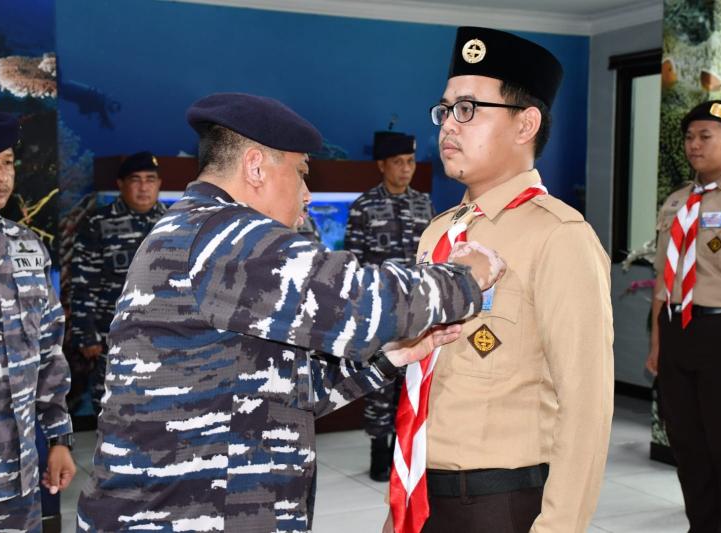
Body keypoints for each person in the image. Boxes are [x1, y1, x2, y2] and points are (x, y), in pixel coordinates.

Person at [76, 92, 506, 532]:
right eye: (301, 174)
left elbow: (286, 390)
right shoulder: (229, 238)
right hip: (182, 517)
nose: (306, 193)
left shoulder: (199, 229)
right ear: (256, 166)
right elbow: (361, 299)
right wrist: (465, 276)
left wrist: (391, 357)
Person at [386, 27, 614, 533]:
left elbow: (587, 408)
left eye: (468, 109)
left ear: (524, 124)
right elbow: (423, 378)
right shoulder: (438, 232)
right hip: (423, 491)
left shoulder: (560, 236)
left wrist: (558, 525)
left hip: (499, 503)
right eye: (445, 110)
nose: (449, 125)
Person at [646, 100, 721, 533]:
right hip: (679, 335)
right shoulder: (678, 201)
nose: (694, 145)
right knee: (690, 451)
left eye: (705, 136)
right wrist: (658, 343)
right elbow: (663, 280)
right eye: (690, 136)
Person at [0, 110, 75, 532]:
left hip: (18, 480)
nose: (0, 175)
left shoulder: (27, 247)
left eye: (7, 162)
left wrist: (60, 439)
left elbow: (47, 349)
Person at [344, 130, 434, 481]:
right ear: (382, 165)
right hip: (379, 313)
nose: (406, 169)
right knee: (379, 383)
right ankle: (379, 452)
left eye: (410, 162)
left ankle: (405, 451)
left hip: (417, 313)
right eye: (398, 162)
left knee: (411, 383)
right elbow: (354, 263)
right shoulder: (364, 207)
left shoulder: (424, 205)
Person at [70, 151, 166, 415]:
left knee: (160, 412)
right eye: (136, 180)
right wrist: (86, 334)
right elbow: (82, 281)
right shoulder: (98, 223)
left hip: (163, 339)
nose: (144, 187)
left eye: (150, 179)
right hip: (112, 338)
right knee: (112, 411)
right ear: (120, 184)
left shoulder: (173, 223)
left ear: (159, 184)